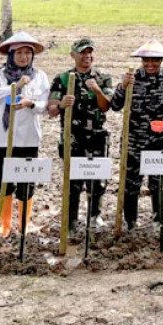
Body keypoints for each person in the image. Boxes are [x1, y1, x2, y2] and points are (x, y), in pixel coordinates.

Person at [0, 31, 50, 238]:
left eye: (27, 53)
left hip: (28, 138)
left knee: (26, 182)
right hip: (1, 138)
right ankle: (4, 225)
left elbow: (44, 105)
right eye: (19, 53)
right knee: (4, 181)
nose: (23, 57)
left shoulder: (40, 77)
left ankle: (24, 223)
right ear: (10, 55)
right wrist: (14, 87)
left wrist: (30, 103)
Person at [111, 39, 163, 231]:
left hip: (159, 140)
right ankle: (130, 221)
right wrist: (123, 87)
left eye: (155, 60)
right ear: (141, 60)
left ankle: (159, 221)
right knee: (131, 183)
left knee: (159, 183)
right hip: (134, 141)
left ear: (161, 60)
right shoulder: (131, 78)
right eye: (146, 60)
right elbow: (115, 106)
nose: (151, 64)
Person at [48, 38, 113, 233]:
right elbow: (51, 109)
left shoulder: (102, 77)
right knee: (72, 181)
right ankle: (71, 221)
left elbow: (106, 106)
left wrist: (97, 90)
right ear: (73, 55)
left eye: (89, 52)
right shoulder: (63, 79)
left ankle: (95, 216)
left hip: (97, 137)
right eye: (82, 52)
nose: (87, 56)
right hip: (72, 137)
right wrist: (61, 104)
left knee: (97, 180)